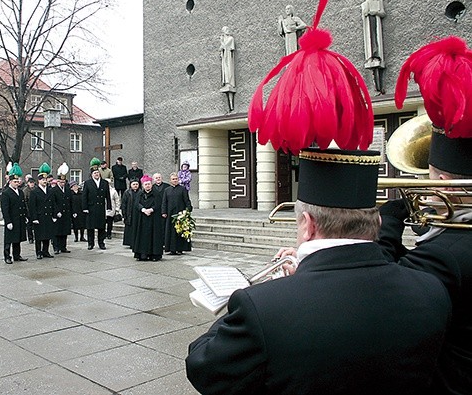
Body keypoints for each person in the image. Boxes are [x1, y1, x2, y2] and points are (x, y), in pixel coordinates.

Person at [186, 148, 452, 394]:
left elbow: (203, 368)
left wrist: (248, 296)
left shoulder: (261, 306)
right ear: (379, 222)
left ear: (307, 225)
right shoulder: (430, 289)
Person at [378, 36, 472, 394]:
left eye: (429, 174)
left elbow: (388, 296)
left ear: (446, 182)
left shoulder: (447, 254)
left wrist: (388, 221)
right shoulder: (447, 249)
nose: (424, 181)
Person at [0, 163, 28, 264]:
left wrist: (25, 216)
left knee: (18, 238)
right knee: (9, 239)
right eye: (15, 182)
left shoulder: (20, 192)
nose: (17, 183)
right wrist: (8, 221)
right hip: (11, 219)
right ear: (10, 182)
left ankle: (17, 255)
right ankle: (7, 256)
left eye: (18, 181)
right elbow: (5, 209)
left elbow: (23, 205)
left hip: (19, 218)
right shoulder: (6, 193)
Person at [82, 158, 112, 250]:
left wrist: (109, 207)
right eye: (94, 173)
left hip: (100, 207)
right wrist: (85, 207)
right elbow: (84, 196)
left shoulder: (104, 183)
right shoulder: (88, 183)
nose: (96, 174)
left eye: (97, 173)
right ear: (92, 175)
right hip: (91, 208)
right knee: (90, 227)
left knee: (101, 227)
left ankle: (101, 242)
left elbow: (108, 195)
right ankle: (90, 243)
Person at [132, 175, 163, 261]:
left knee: (154, 236)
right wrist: (143, 209)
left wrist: (151, 209)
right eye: (146, 184)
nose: (147, 186)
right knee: (142, 237)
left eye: (149, 184)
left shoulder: (156, 194)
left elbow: (158, 204)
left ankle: (154, 254)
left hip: (153, 219)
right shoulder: (140, 194)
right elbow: (136, 204)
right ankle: (143, 254)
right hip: (142, 219)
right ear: (143, 185)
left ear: (151, 184)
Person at [162, 173, 193, 255]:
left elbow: (187, 200)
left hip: (180, 214)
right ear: (170, 180)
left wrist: (188, 210)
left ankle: (180, 248)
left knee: (180, 231)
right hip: (170, 214)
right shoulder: (167, 190)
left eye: (176, 179)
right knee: (171, 232)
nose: (175, 180)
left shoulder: (183, 189)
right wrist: (164, 212)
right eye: (173, 179)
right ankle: (171, 249)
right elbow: (164, 202)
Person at [28, 163, 55, 259]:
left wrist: (54, 215)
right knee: (39, 236)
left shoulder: (50, 191)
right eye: (43, 180)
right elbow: (32, 206)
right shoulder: (34, 192)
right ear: (38, 181)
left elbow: (53, 204)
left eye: (45, 179)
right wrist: (34, 218)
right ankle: (38, 252)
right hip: (39, 216)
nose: (45, 181)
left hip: (48, 215)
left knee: (47, 234)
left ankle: (46, 251)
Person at [50, 168, 73, 254]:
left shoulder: (67, 190)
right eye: (61, 182)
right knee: (57, 231)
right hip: (58, 213)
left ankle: (63, 247)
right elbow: (53, 202)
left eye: (64, 182)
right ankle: (56, 247)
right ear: (58, 182)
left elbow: (70, 201)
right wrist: (56, 212)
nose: (62, 183)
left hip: (66, 213)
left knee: (64, 231)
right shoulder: (54, 190)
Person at [120, 179, 140, 247]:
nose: (135, 186)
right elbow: (124, 204)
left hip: (138, 213)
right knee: (130, 228)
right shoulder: (127, 192)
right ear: (130, 185)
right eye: (134, 184)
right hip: (129, 213)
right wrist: (124, 214)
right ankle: (130, 242)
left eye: (136, 184)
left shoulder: (141, 192)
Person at [219, 26, 236, 93]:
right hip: (224, 56)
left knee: (229, 68)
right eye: (226, 30)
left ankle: (229, 83)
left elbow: (225, 46)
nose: (228, 30)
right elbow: (220, 49)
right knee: (225, 69)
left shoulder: (231, 38)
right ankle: (226, 83)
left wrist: (221, 41)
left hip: (228, 55)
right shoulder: (225, 39)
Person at [22, 177, 36, 244]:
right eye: (31, 183)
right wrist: (26, 210)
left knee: (36, 224)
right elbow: (24, 201)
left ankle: (36, 236)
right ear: (28, 183)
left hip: (35, 209)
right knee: (29, 225)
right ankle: (30, 238)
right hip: (29, 209)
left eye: (33, 183)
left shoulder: (36, 189)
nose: (32, 184)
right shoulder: (25, 190)